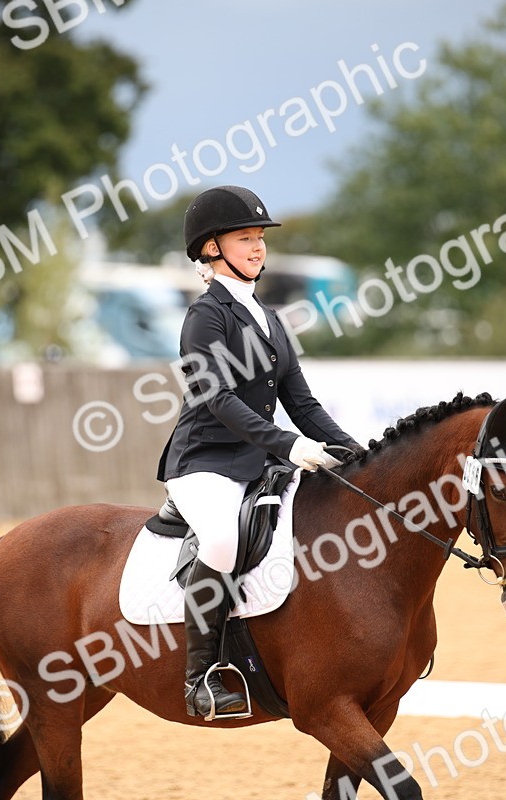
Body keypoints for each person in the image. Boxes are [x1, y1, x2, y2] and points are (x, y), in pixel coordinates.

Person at [155, 185, 363, 718]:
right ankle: (199, 678)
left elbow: (303, 403)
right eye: (244, 239)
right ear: (211, 248)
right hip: (203, 462)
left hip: (257, 464)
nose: (257, 248)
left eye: (259, 239)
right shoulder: (206, 317)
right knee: (222, 540)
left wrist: (360, 455)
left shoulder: (270, 321)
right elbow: (217, 400)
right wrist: (289, 445)